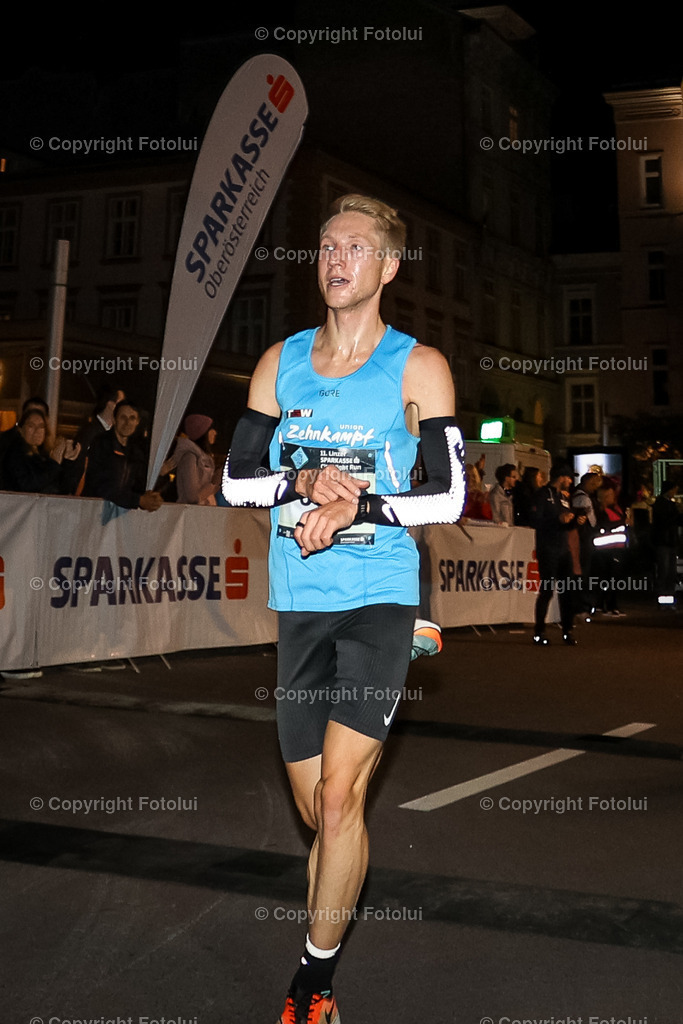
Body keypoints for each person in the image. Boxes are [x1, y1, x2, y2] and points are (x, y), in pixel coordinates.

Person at [222, 193, 466, 1024]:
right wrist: (297, 482)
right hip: (300, 606)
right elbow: (233, 480)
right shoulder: (278, 361)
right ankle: (323, 942)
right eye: (327, 247)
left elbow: (450, 495)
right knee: (316, 813)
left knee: (338, 801)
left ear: (389, 267)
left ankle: (311, 989)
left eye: (355, 249)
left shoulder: (416, 365)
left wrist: (362, 505)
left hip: (379, 600)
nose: (335, 260)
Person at [533, 461, 586, 645]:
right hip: (548, 549)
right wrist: (558, 519)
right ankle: (539, 631)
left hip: (564, 550)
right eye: (569, 477)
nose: (571, 481)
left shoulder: (564, 497)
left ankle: (567, 631)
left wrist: (575, 521)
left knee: (567, 591)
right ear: (561, 477)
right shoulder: (542, 494)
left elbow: (564, 524)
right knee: (547, 591)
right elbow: (537, 520)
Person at [83, 400, 163, 512]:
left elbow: (138, 484)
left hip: (120, 515)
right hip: (94, 512)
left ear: (138, 422)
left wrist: (158, 480)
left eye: (132, 418)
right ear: (114, 420)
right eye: (123, 417)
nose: (127, 422)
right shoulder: (101, 444)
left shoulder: (137, 451)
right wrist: (138, 500)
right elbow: (102, 486)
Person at [2, 408, 81, 494]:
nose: (37, 431)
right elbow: (27, 486)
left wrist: (68, 461)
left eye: (41, 426)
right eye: (31, 426)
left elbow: (63, 489)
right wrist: (53, 463)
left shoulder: (43, 455)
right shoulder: (14, 453)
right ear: (21, 429)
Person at [66, 386, 126, 494]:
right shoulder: (90, 433)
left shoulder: (114, 434)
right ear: (110, 404)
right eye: (121, 403)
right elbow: (80, 467)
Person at [161, 414, 219, 505]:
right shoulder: (190, 458)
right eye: (211, 429)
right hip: (192, 515)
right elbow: (192, 498)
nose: (215, 432)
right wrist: (212, 484)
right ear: (203, 433)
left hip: (199, 514)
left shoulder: (202, 459)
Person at [593, 482, 628, 615]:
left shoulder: (616, 508)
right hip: (606, 549)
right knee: (607, 579)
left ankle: (608, 605)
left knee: (614, 579)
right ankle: (606, 605)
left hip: (617, 548)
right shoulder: (602, 511)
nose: (613, 497)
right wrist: (622, 522)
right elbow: (604, 526)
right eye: (609, 495)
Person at [571, 471, 603, 616]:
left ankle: (585, 604)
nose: (596, 486)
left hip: (586, 539)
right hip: (583, 540)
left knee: (586, 572)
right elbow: (582, 521)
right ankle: (581, 605)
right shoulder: (582, 498)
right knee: (583, 572)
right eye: (594, 483)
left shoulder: (586, 497)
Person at [651, 479, 682, 605]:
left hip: (670, 540)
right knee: (664, 569)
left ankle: (668, 595)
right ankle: (662, 594)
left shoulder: (670, 503)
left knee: (671, 570)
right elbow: (666, 521)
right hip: (664, 540)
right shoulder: (661, 504)